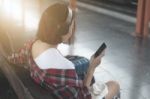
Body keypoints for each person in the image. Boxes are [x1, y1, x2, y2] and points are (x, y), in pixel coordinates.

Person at [7, 1, 120, 99]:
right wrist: (92, 68)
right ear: (64, 32)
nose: (73, 27)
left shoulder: (32, 43)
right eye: (71, 25)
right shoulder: (64, 67)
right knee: (114, 85)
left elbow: (15, 58)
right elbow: (83, 97)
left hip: (47, 88)